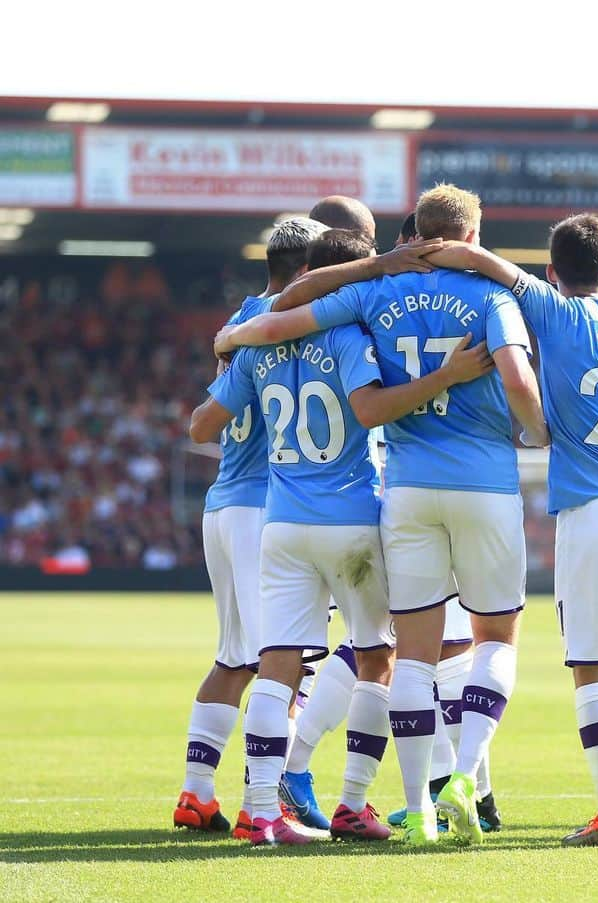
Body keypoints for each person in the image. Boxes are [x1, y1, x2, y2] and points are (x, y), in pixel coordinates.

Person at [214, 184, 547, 846]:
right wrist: (540, 432)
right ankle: (458, 782)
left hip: (400, 492)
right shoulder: (493, 296)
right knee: (473, 642)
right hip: (472, 485)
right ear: (472, 235)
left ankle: (415, 802)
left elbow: (280, 319)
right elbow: (514, 375)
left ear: (411, 235)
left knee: (405, 653)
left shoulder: (372, 296)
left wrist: (232, 336)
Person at [425, 216, 598, 847]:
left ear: (553, 272)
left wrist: (437, 245)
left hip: (592, 513)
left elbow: (488, 267)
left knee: (592, 669)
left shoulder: (552, 311)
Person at [172, 217, 328, 837]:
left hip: (224, 503)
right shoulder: (287, 325)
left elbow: (203, 424)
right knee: (284, 664)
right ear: (306, 270)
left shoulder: (242, 319)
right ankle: (264, 806)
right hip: (271, 508)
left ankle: (196, 793)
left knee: (233, 658)